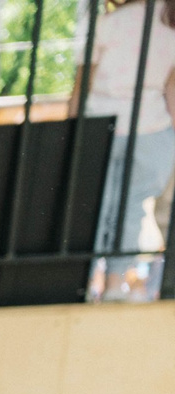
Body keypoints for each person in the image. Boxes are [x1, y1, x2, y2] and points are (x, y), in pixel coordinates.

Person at [90, 0, 175, 263]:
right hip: (151, 128)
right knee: (131, 210)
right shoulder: (170, 24)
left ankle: (86, 276)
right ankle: (116, 281)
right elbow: (171, 88)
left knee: (94, 208)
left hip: (101, 125)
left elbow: (85, 82)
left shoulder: (109, 22)